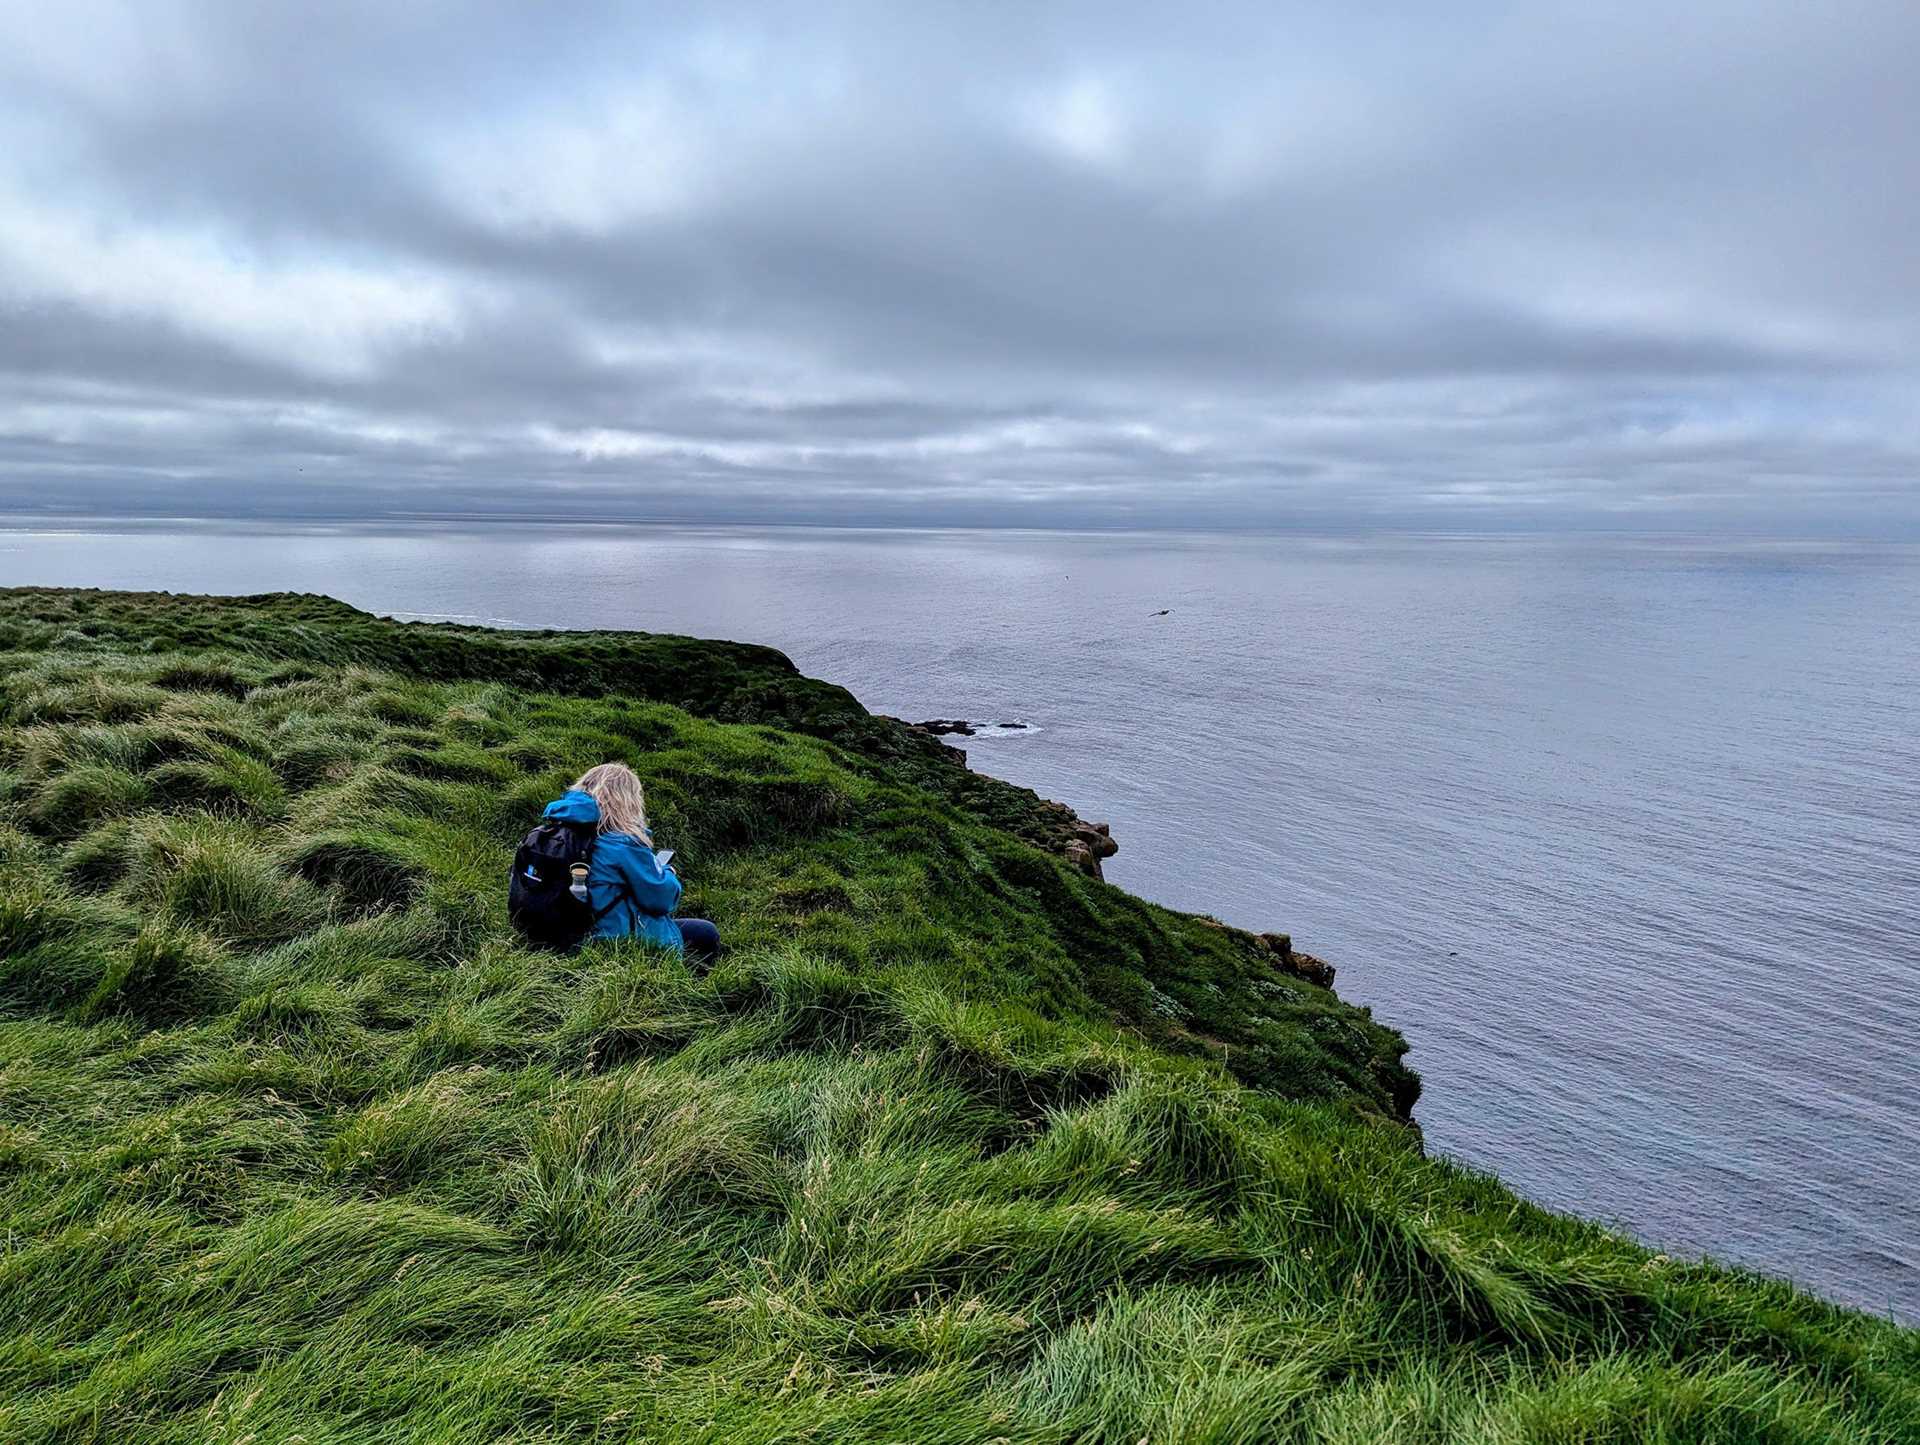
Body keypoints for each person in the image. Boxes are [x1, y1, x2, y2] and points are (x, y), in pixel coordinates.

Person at [540, 762, 721, 966]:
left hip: (559, 936)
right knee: (705, 933)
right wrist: (667, 872)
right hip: (610, 944)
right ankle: (683, 989)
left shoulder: (552, 833)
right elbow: (661, 900)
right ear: (626, 800)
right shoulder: (622, 844)